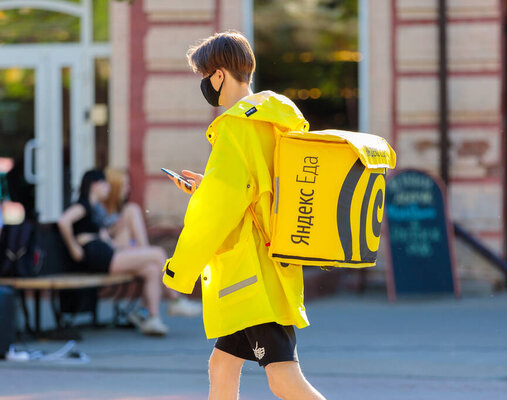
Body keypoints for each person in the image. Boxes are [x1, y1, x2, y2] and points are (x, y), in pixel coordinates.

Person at [162, 31, 326, 399]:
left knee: (284, 379)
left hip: (250, 277)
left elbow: (216, 210)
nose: (204, 85)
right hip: (267, 265)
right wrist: (210, 185)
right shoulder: (272, 120)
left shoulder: (236, 126)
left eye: (204, 77)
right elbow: (252, 189)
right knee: (221, 366)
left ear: (218, 75)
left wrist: (179, 270)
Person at [57, 169, 202, 337]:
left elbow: (102, 237)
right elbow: (63, 221)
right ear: (93, 185)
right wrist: (74, 247)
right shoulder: (82, 205)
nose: (107, 187)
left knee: (152, 270)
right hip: (97, 257)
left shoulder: (94, 209)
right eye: (103, 183)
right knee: (156, 254)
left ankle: (152, 318)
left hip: (104, 254)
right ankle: (175, 299)